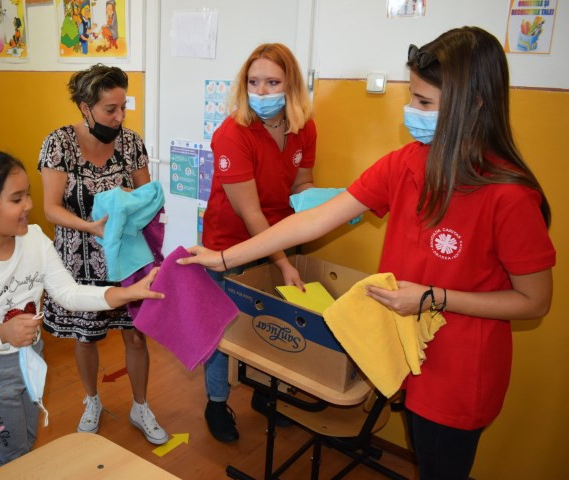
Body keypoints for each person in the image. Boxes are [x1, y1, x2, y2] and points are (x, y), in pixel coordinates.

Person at [180, 27, 555, 478]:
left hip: (460, 368)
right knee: (423, 455)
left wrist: (432, 298)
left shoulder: (508, 195)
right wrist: (223, 259)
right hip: (401, 351)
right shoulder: (406, 163)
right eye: (412, 96)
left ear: (473, 105)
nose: (411, 110)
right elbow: (314, 220)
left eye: (424, 102)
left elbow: (534, 300)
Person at [0, 149, 163, 469]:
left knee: (26, 438)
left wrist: (126, 293)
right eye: (16, 199)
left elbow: (68, 293)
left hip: (29, 361)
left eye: (27, 194)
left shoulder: (34, 240)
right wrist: (1, 333)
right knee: (8, 455)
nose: (28, 205)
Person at [38, 65, 168, 445]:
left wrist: (134, 202)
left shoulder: (131, 143)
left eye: (123, 107)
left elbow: (146, 198)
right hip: (79, 258)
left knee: (136, 337)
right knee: (86, 337)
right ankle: (92, 400)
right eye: (110, 109)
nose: (119, 116)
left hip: (126, 258)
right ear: (85, 107)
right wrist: (91, 227)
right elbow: (51, 209)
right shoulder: (59, 144)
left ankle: (140, 406)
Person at [200, 42, 317, 443]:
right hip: (230, 245)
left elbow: (301, 183)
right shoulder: (232, 134)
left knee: (271, 322)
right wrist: (284, 262)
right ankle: (217, 402)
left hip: (279, 238)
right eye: (253, 82)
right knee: (223, 328)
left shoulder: (303, 127)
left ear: (291, 85)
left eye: (272, 82)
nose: (261, 91)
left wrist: (322, 206)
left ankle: (266, 394)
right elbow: (251, 215)